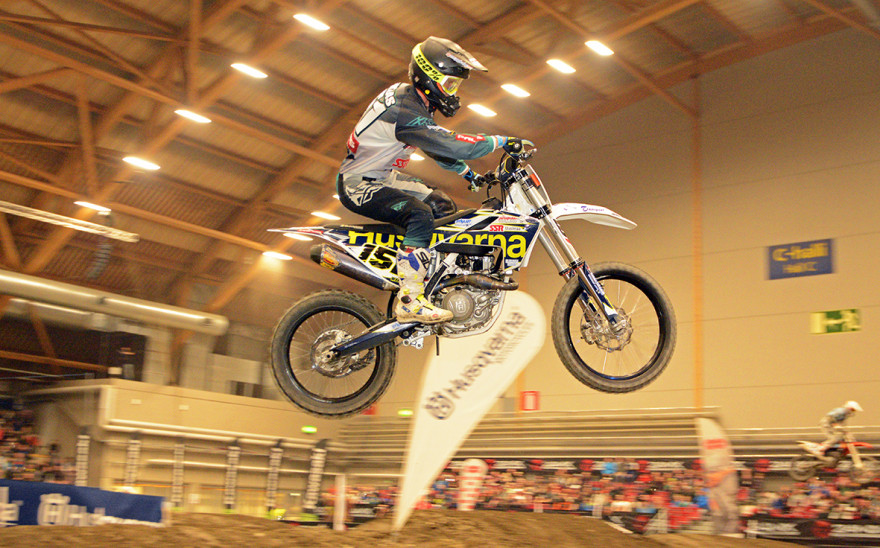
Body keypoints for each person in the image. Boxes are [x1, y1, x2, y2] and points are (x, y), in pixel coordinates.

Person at [336, 36, 529, 323]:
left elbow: (433, 146)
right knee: (420, 214)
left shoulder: (412, 101)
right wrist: (501, 140)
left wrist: (467, 174)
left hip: (381, 177)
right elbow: (453, 145)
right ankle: (410, 299)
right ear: (428, 77)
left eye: (456, 86)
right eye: (450, 85)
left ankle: (434, 281)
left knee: (441, 204)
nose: (454, 93)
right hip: (359, 184)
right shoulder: (404, 108)